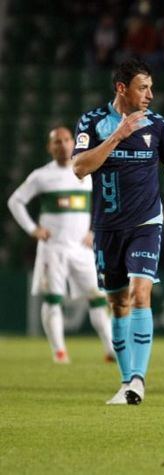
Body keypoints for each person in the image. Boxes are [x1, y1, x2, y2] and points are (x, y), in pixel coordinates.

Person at [72, 58, 164, 405]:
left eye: (151, 87)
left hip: (146, 223)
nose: (150, 95)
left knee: (141, 294)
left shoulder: (157, 125)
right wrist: (117, 136)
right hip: (107, 226)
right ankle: (126, 382)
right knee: (117, 302)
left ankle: (138, 381)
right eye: (143, 87)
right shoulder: (93, 122)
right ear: (121, 88)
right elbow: (80, 168)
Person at [8, 126, 114, 364]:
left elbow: (104, 203)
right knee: (53, 298)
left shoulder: (86, 171)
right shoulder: (42, 175)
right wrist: (33, 229)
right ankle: (60, 353)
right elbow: (15, 201)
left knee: (97, 297)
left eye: (67, 140)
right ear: (50, 147)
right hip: (53, 248)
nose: (63, 145)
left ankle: (110, 350)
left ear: (74, 143)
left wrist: (94, 231)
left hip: (82, 248)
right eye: (57, 142)